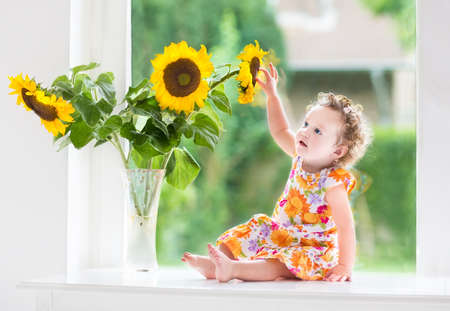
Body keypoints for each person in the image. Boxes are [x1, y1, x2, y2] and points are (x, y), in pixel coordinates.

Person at [181, 63, 373, 283]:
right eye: (307, 123)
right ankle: (218, 263)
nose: (306, 132)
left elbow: (345, 226)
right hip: (282, 234)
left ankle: (234, 269)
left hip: (311, 250)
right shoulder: (299, 155)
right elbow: (280, 130)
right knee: (251, 230)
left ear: (338, 151)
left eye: (317, 131)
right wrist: (273, 96)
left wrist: (344, 266)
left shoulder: (332, 182)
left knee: (278, 266)